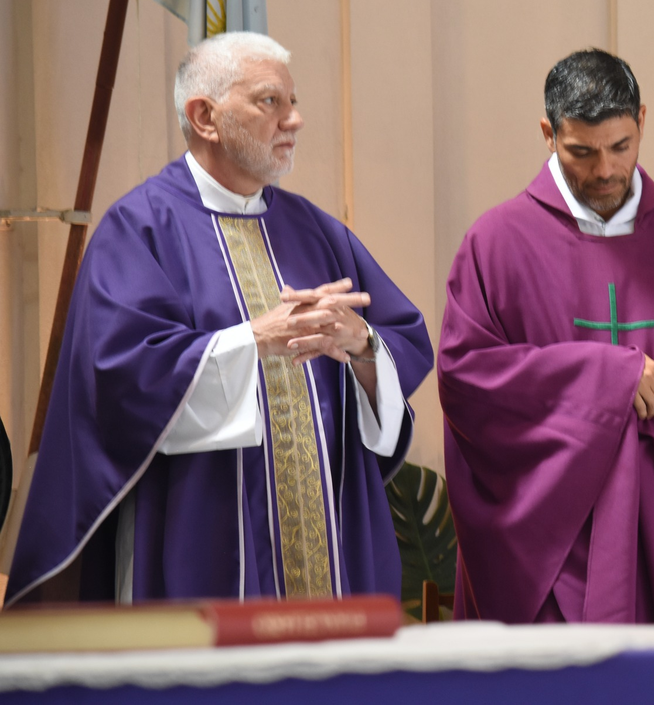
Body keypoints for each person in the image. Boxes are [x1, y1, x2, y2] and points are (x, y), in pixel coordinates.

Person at [5, 32, 433, 605]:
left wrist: (362, 348)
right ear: (204, 116)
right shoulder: (140, 230)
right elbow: (122, 379)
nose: (295, 120)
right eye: (270, 101)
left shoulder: (317, 231)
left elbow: (401, 339)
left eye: (293, 101)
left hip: (331, 549)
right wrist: (254, 339)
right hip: (202, 534)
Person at [439, 49, 654, 623]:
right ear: (548, 134)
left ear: (642, 122)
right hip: (555, 550)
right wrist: (609, 379)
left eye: (621, 146)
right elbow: (468, 378)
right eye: (582, 151)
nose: (604, 169)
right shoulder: (496, 245)